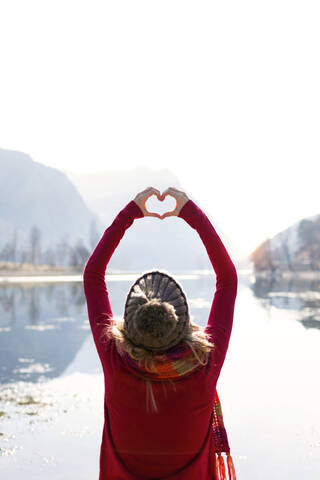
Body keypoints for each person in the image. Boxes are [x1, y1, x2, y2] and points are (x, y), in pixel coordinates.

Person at [83, 186, 238, 479]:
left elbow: (92, 276)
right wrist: (192, 214)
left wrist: (130, 214)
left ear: (130, 327)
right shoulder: (204, 364)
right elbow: (228, 281)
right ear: (181, 323)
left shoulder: (115, 361)